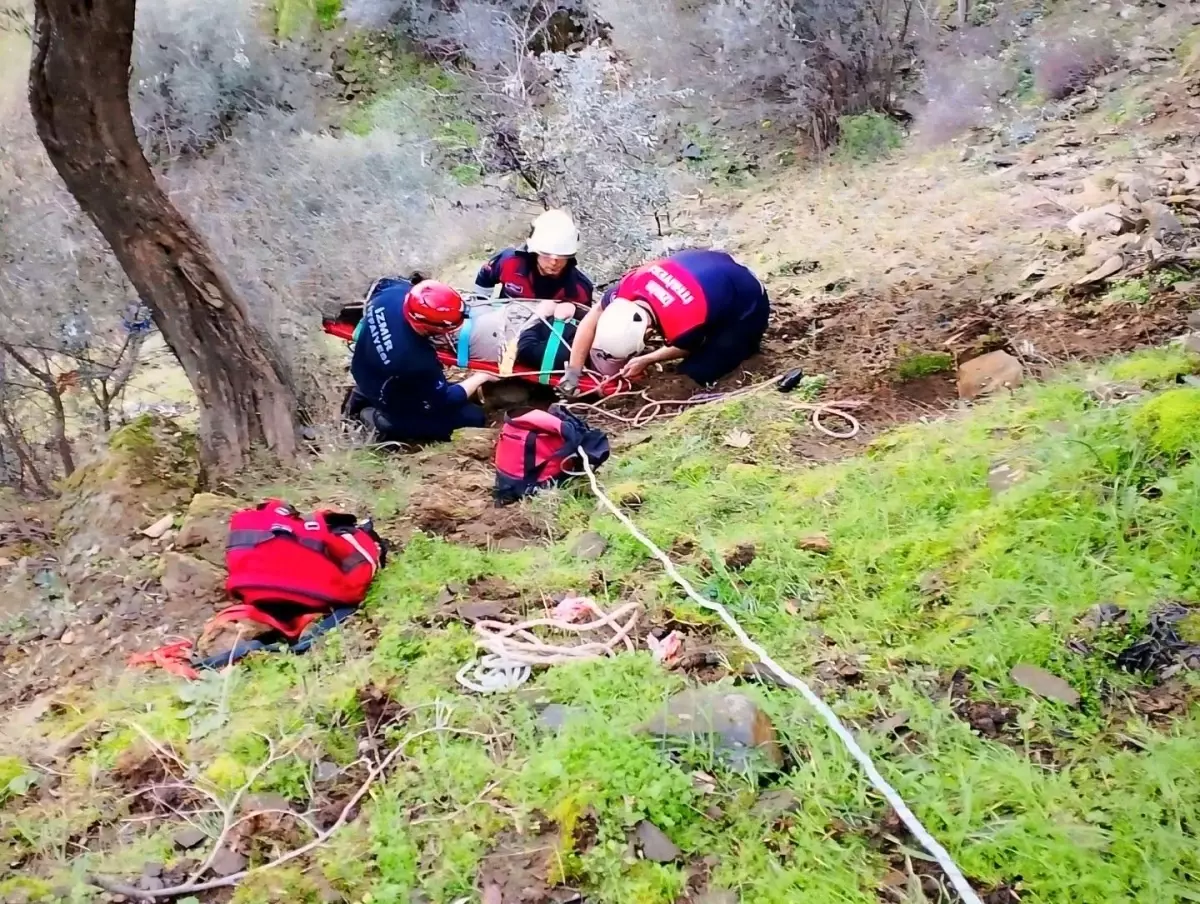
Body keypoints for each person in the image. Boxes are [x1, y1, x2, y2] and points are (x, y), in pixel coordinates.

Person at [558, 249, 771, 395]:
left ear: (649, 331)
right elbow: (591, 319)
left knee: (695, 372)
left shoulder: (684, 321)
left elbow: (685, 348)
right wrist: (573, 372)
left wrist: (647, 359)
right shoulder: (629, 286)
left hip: (748, 302)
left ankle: (744, 346)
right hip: (712, 267)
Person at [347, 276, 497, 443]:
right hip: (387, 392)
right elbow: (444, 400)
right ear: (423, 325)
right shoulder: (415, 361)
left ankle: (361, 397)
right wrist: (481, 377)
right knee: (473, 416)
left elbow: (384, 283)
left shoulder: (392, 294)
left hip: (363, 366)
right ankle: (385, 423)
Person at [474, 209, 594, 307]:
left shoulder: (580, 288)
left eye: (561, 256)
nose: (554, 262)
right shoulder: (509, 262)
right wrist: (483, 307)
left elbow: (582, 324)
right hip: (505, 326)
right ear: (535, 250)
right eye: (547, 254)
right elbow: (485, 276)